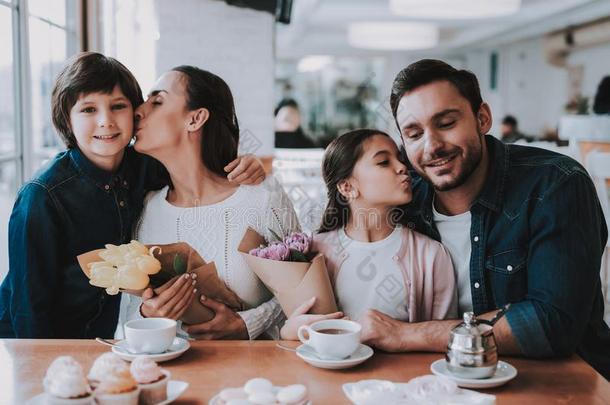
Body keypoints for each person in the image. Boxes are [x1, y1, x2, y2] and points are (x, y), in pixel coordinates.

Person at [357, 59, 610, 379]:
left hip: (557, 381)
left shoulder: (555, 184)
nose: (431, 146)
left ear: (482, 118)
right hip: (439, 380)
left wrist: (407, 335)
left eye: (446, 123)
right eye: (414, 133)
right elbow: (340, 244)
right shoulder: (405, 198)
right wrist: (301, 320)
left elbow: (552, 323)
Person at [0, 52, 265, 339]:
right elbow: (28, 308)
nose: (105, 121)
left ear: (134, 112)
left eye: (118, 106)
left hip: (98, 338)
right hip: (31, 340)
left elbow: (194, 166)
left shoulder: (146, 168)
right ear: (67, 118)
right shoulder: (42, 196)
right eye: (88, 110)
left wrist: (246, 164)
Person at [116, 66, 300, 340]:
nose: (138, 111)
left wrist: (247, 324)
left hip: (256, 379)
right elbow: (124, 324)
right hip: (172, 379)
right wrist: (147, 315)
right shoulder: (146, 210)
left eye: (157, 101)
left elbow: (307, 298)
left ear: (196, 118)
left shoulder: (263, 198)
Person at [280, 129, 456, 339]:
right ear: (347, 187)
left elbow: (443, 340)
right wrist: (288, 331)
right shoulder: (312, 252)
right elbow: (293, 334)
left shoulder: (431, 255)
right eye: (383, 162)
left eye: (400, 159)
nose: (402, 167)